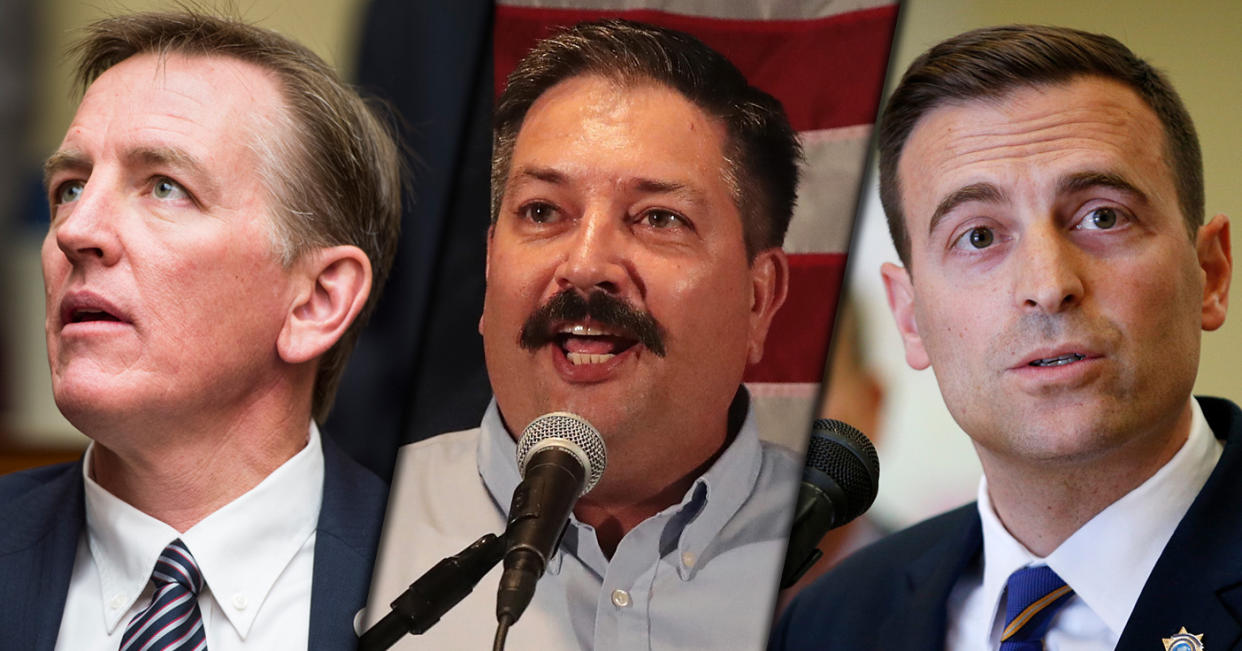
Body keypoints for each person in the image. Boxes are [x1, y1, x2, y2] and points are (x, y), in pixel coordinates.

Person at [771, 24, 1235, 650]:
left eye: (1103, 216)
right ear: (910, 317)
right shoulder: (829, 621)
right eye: (980, 236)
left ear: (1210, 275)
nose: (1048, 285)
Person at [366, 19, 802, 650]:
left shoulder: (841, 577)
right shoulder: (350, 522)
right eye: (542, 212)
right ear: (489, 270)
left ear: (757, 300)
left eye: (658, 218)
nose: (587, 264)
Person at [0, 10, 402, 650]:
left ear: (317, 301)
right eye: (70, 188)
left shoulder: (465, 592)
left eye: (164, 187)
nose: (76, 232)